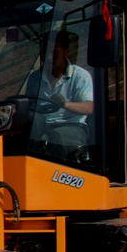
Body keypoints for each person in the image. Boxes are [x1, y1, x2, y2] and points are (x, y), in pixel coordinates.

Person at [24, 30, 94, 158]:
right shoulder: (35, 78)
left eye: (54, 53)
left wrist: (65, 104)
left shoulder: (80, 76)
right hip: (41, 127)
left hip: (73, 126)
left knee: (53, 139)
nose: (49, 58)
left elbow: (88, 108)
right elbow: (29, 105)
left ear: (66, 52)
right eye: (45, 53)